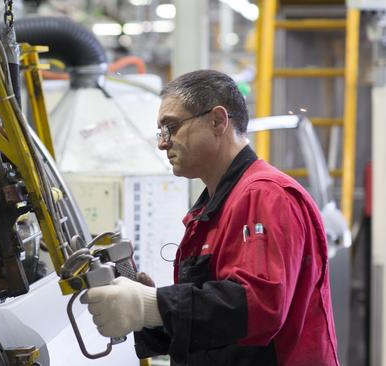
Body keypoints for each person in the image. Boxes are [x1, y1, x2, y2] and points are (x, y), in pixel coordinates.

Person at [80, 70, 339, 366]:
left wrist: (152, 305)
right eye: (161, 132)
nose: (163, 144)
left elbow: (260, 307)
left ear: (217, 121)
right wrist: (150, 312)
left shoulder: (266, 195)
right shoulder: (215, 208)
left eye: (172, 127)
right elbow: (214, 328)